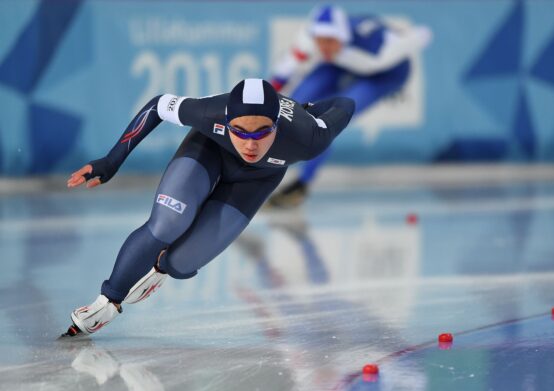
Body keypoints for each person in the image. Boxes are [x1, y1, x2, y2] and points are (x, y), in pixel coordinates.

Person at [62, 78, 354, 337]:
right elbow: (157, 105)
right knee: (168, 223)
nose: (250, 145)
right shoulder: (209, 111)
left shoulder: (308, 137)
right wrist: (112, 161)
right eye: (239, 131)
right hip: (208, 151)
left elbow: (345, 103)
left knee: (182, 263)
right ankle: (106, 302)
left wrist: (308, 108)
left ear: (277, 125)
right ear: (226, 121)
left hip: (255, 182)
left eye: (262, 133)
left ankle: (162, 267)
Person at [267, 4, 432, 207]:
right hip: (339, 62)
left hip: (386, 73)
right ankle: (262, 171)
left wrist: (405, 36)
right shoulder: (310, 41)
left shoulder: (379, 51)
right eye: (320, 41)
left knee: (327, 119)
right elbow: (284, 71)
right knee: (295, 105)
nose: (324, 46)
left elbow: (423, 35)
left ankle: (301, 184)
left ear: (343, 38)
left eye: (329, 41)